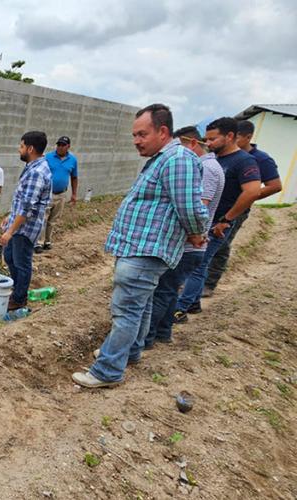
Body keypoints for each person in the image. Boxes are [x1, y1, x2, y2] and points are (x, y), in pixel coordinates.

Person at [72, 104, 208, 389]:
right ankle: (130, 351)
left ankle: (108, 370)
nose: (136, 140)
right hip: (140, 249)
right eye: (134, 135)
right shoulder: (163, 159)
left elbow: (190, 207)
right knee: (141, 306)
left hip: (145, 251)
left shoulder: (177, 160)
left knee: (127, 311)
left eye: (142, 134)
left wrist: (196, 233)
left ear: (163, 131)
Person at [142, 126, 225, 349]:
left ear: (192, 143)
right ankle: (163, 333)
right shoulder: (210, 166)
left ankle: (143, 340)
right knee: (170, 291)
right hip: (191, 245)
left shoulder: (206, 169)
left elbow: (198, 208)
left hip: (189, 245)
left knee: (161, 292)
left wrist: (194, 235)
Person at [173, 117, 260, 322]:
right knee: (199, 262)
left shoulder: (244, 161)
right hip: (209, 219)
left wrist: (226, 219)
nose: (208, 143)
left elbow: (253, 191)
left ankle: (180, 309)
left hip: (218, 222)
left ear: (229, 136)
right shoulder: (216, 159)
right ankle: (193, 302)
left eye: (213, 139)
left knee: (198, 263)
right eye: (206, 139)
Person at [201, 119, 282, 298]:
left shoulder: (260, 159)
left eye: (237, 138)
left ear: (248, 137)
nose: (233, 141)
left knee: (221, 245)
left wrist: (244, 197)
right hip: (214, 208)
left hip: (234, 211)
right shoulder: (220, 155)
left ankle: (209, 283)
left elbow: (275, 186)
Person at [0, 132, 51, 311]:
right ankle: (17, 289)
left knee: (22, 263)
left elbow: (28, 208)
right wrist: (10, 216)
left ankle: (19, 298)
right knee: (9, 257)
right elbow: (22, 200)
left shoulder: (36, 172)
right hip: (19, 224)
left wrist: (10, 231)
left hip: (25, 228)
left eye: (21, 146)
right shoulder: (33, 167)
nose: (18, 149)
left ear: (30, 149)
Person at [36, 136, 78, 253]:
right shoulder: (48, 157)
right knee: (43, 218)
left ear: (68, 146)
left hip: (61, 194)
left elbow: (74, 177)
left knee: (53, 219)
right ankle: (39, 242)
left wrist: (74, 194)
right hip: (48, 193)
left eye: (63, 145)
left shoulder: (72, 160)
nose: (60, 147)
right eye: (58, 145)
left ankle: (47, 241)